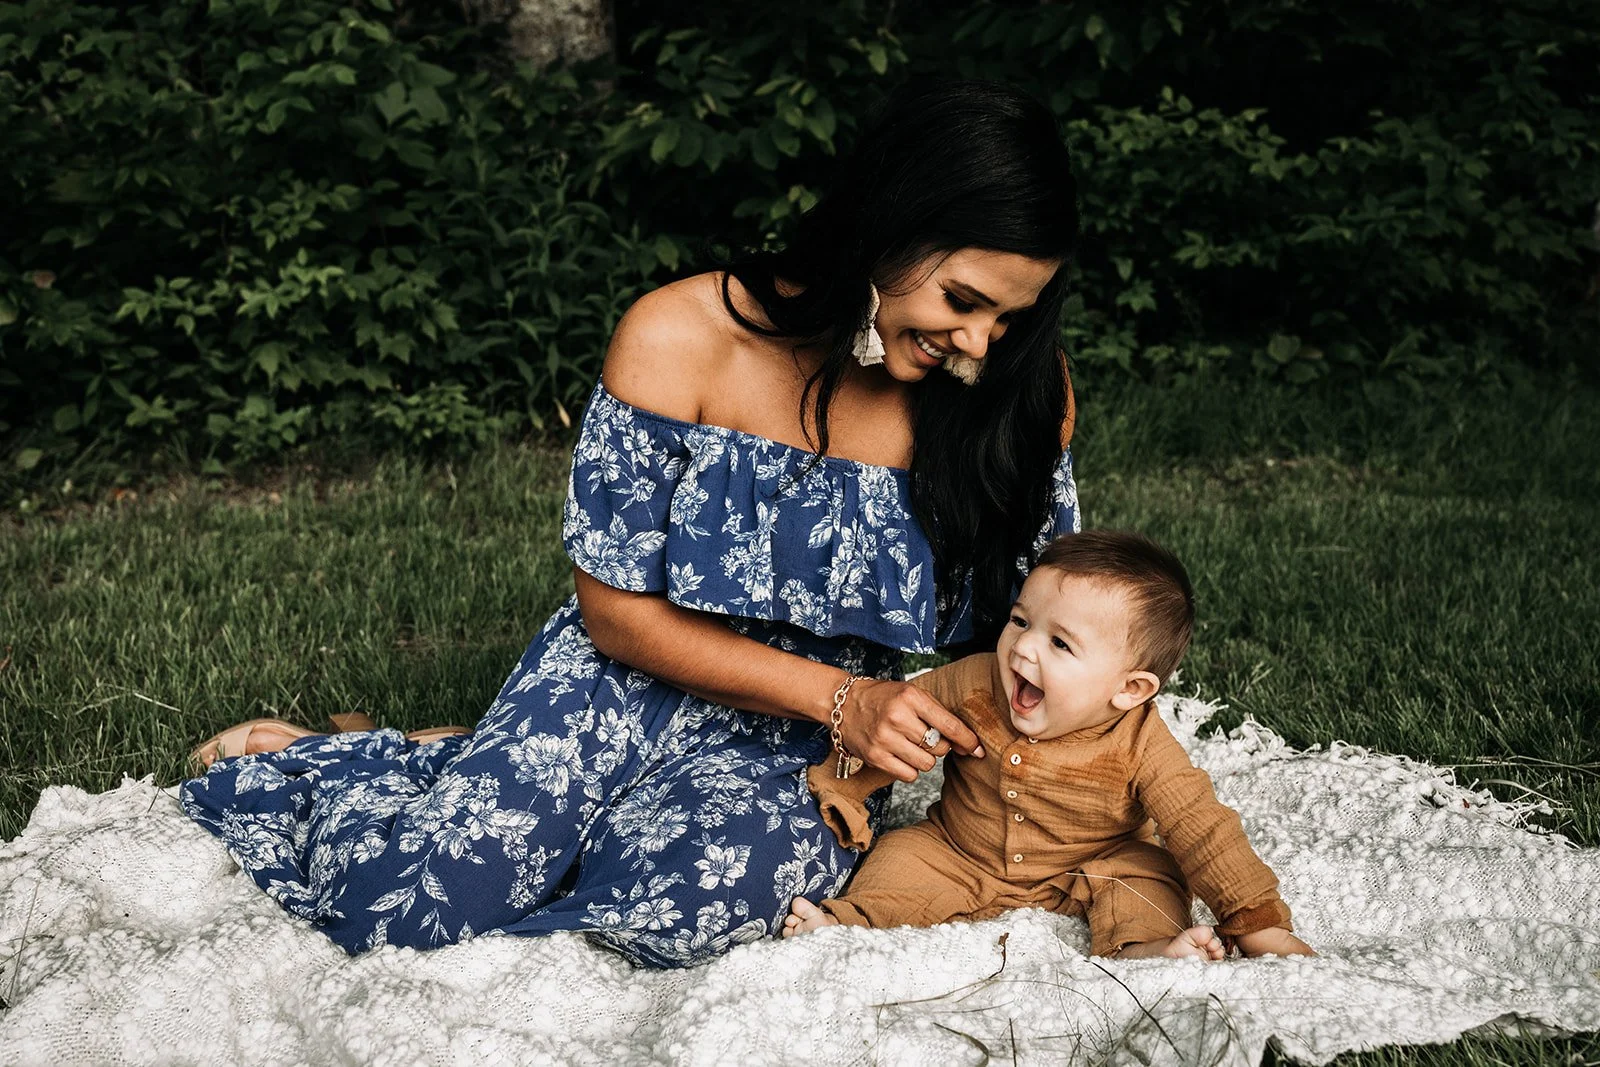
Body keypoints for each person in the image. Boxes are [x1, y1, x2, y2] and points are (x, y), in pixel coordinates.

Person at [179, 79, 1083, 968]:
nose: (979, 344)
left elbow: (1044, 622)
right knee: (413, 907)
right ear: (887, 221)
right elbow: (615, 614)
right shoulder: (679, 335)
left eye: (1011, 316)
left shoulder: (1015, 400)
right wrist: (845, 698)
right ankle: (366, 768)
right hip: (627, 675)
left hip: (810, 743)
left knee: (692, 904)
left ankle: (479, 764)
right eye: (962, 301)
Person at [783, 530, 1316, 960]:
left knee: (1151, 876)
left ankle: (1146, 949)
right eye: (1020, 621)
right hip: (961, 851)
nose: (1024, 647)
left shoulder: (1139, 744)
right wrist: (843, 788)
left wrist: (1255, 920)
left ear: (1128, 689)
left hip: (1092, 861)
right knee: (901, 854)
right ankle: (846, 923)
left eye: (1060, 643)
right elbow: (894, 723)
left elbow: (1202, 828)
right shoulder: (973, 683)